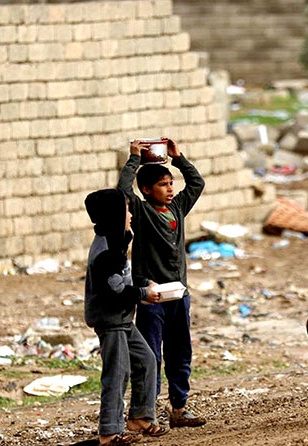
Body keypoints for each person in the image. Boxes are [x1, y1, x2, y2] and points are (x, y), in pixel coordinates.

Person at [118, 137, 207, 428]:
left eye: (171, 184)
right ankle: (147, 413)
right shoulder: (141, 213)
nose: (170, 190)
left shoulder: (177, 208)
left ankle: (179, 408)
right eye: (163, 185)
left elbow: (196, 184)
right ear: (146, 190)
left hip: (178, 295)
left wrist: (178, 157)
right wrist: (133, 159)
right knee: (151, 356)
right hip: (152, 296)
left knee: (180, 352)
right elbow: (122, 192)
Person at [83, 188, 168, 445]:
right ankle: (109, 432)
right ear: (115, 214)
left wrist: (143, 282)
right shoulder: (106, 252)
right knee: (117, 375)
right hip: (111, 323)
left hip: (121, 320)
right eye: (127, 210)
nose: (130, 215)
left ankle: (140, 417)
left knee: (146, 361)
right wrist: (143, 293)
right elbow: (114, 292)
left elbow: (123, 279)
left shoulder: (116, 242)